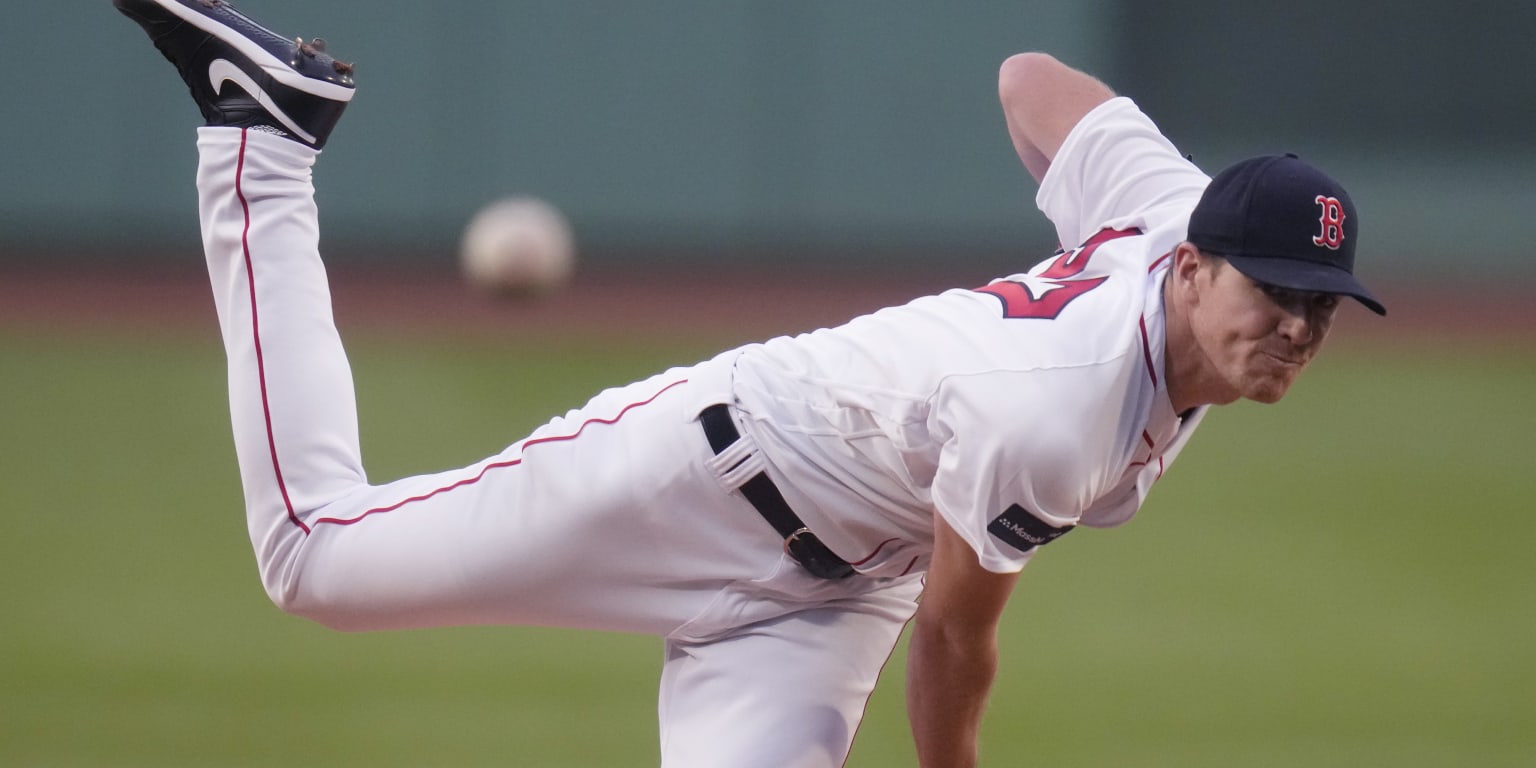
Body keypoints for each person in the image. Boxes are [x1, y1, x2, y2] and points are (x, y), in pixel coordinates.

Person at [114, 1, 1386, 766]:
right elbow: (957, 637)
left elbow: (1031, 85)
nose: (1295, 329)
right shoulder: (1055, 405)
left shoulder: (1168, 216)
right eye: (1272, 292)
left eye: (1318, 306)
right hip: (700, 478)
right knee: (316, 561)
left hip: (829, 601)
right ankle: (263, 140)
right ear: (1198, 271)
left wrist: (1095, 228)